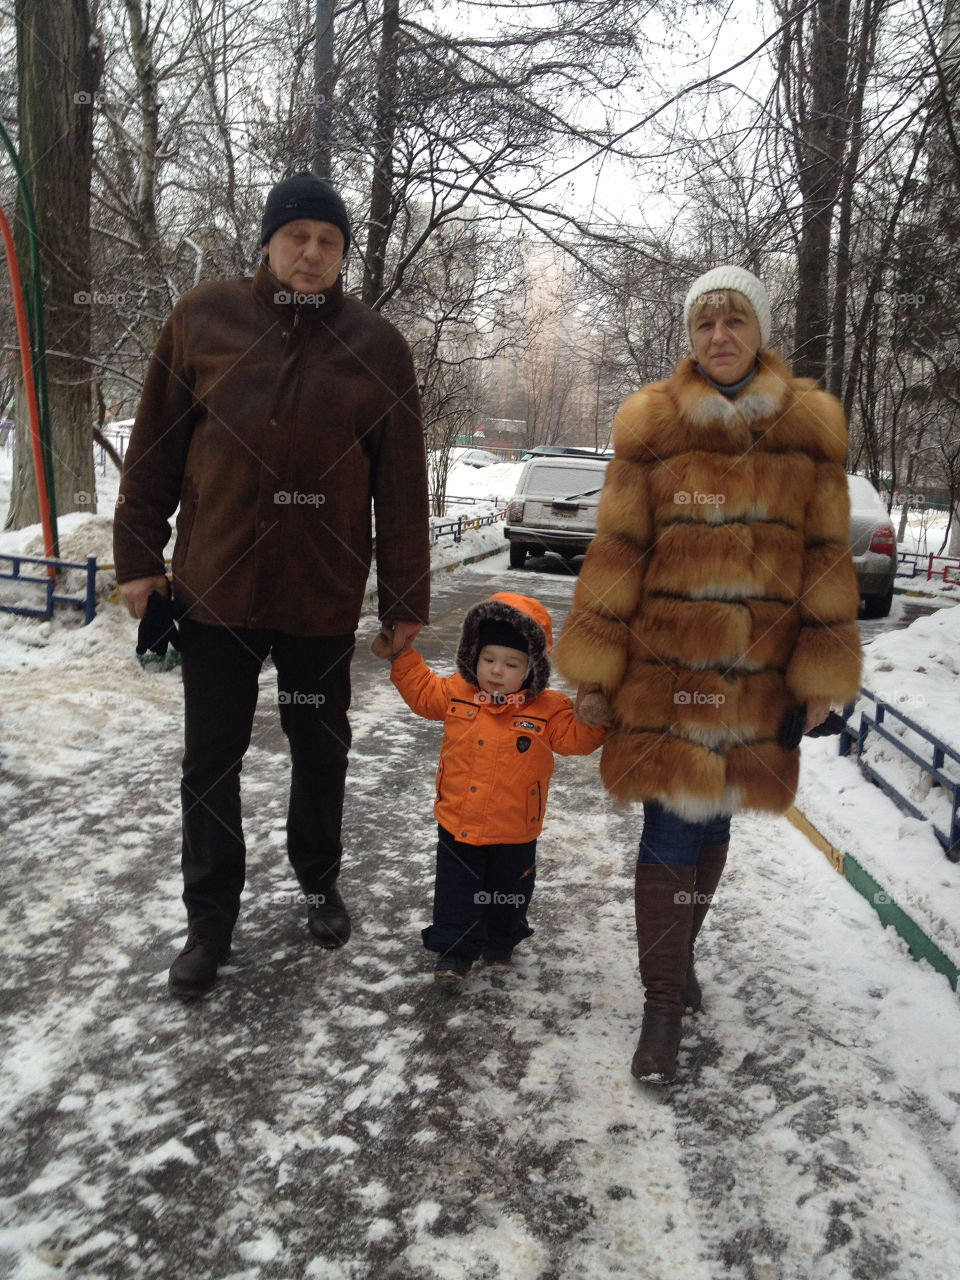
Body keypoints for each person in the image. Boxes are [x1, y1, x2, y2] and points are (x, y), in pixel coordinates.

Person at [114, 172, 431, 998]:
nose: (313, 253)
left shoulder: (378, 346)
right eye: (299, 237)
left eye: (329, 241)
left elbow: (400, 489)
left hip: (319, 599)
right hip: (215, 588)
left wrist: (403, 603)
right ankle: (208, 923)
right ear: (269, 240)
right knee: (211, 760)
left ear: (342, 255)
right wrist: (140, 560)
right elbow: (153, 449)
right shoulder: (203, 320)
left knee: (318, 749)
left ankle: (318, 878)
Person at [554, 265, 862, 1083]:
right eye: (703, 325)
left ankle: (680, 953)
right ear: (688, 337)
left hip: (759, 676)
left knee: (716, 821)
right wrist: (595, 664)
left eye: (734, 322)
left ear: (760, 332)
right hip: (668, 671)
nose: (719, 337)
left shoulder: (810, 426)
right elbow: (617, 553)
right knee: (672, 825)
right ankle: (661, 1008)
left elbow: (828, 557)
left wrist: (822, 669)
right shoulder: (652, 421)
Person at [375, 592, 605, 983]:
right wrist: (402, 656)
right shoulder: (457, 692)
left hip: (515, 826)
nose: (496, 671)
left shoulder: (548, 708)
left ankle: (501, 940)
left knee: (509, 892)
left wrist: (594, 713)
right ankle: (453, 951)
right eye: (488, 659)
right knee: (455, 890)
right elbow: (422, 692)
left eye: (511, 663)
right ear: (473, 656)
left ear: (531, 668)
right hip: (458, 820)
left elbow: (575, 740)